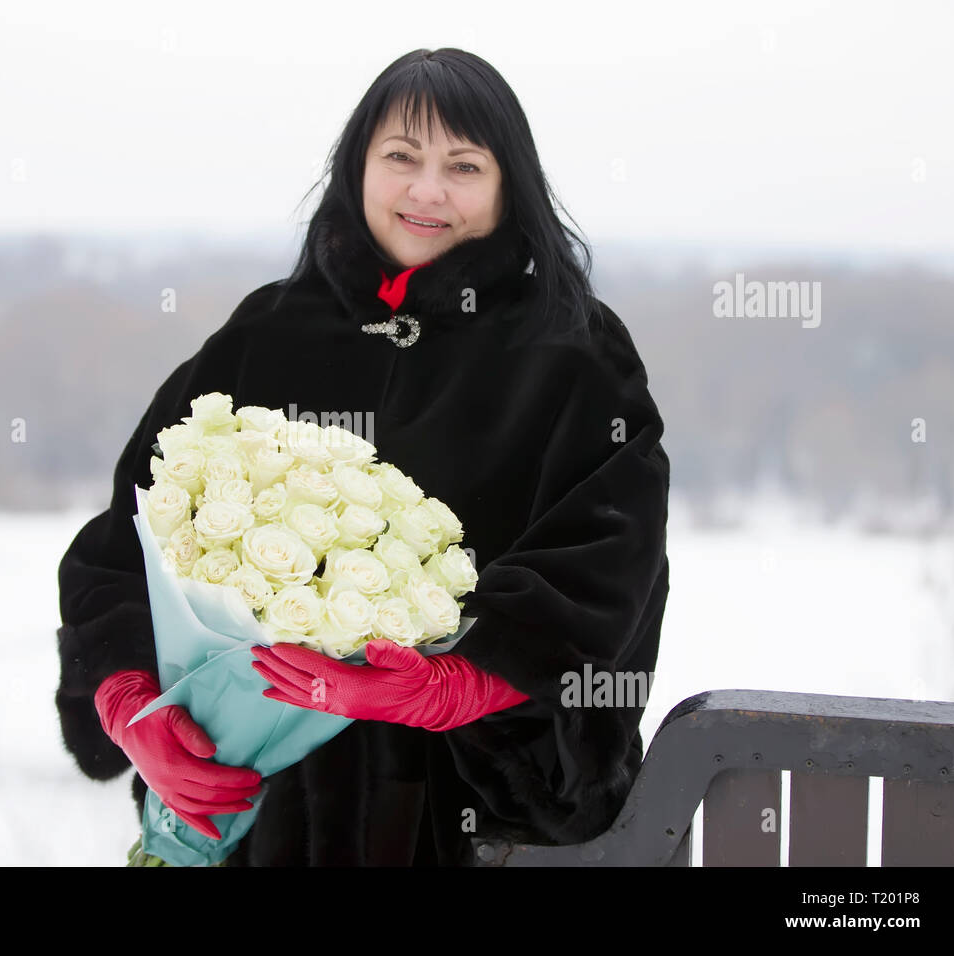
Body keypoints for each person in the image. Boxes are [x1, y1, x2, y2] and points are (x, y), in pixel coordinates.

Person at [56, 48, 670, 866]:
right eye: (401, 158)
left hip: (466, 827)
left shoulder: (571, 353)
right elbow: (124, 544)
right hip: (254, 818)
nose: (427, 190)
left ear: (507, 185)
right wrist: (133, 702)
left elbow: (607, 561)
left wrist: (459, 682)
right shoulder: (265, 334)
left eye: (463, 165)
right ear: (358, 167)